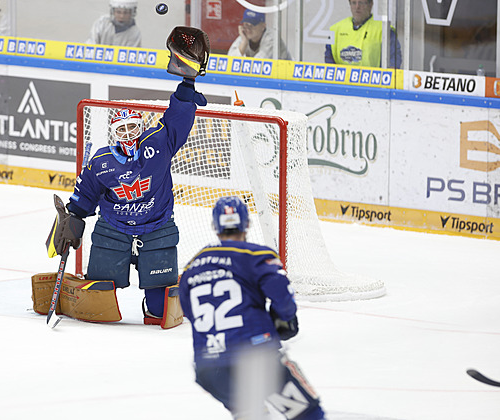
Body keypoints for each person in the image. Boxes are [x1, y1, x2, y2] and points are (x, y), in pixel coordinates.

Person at [47, 77, 207, 325]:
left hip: (156, 227)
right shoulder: (100, 162)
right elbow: (84, 197)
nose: (128, 133)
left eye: (132, 127)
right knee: (96, 300)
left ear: (141, 126)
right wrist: (72, 221)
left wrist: (186, 89)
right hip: (114, 230)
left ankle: (156, 301)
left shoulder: (159, 143)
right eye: (122, 129)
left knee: (160, 311)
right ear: (113, 133)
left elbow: (177, 121)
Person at [179, 196, 326, 419]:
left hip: (209, 367)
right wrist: (283, 319)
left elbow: (189, 311)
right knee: (308, 413)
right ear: (247, 224)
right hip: (256, 360)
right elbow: (283, 299)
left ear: (214, 226)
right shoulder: (255, 256)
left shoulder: (191, 267)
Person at [325, 0, 402, 68]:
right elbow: (329, 63)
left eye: (361, 3)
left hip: (373, 83)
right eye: (354, 3)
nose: (357, 7)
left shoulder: (384, 29)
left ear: (370, 4)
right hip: (342, 83)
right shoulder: (336, 29)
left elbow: (393, 63)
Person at [227, 9, 291, 60]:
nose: (248, 29)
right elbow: (230, 61)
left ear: (263, 26)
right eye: (246, 24)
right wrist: (243, 43)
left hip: (286, 73)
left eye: (252, 25)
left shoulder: (271, 39)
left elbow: (258, 64)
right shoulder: (244, 36)